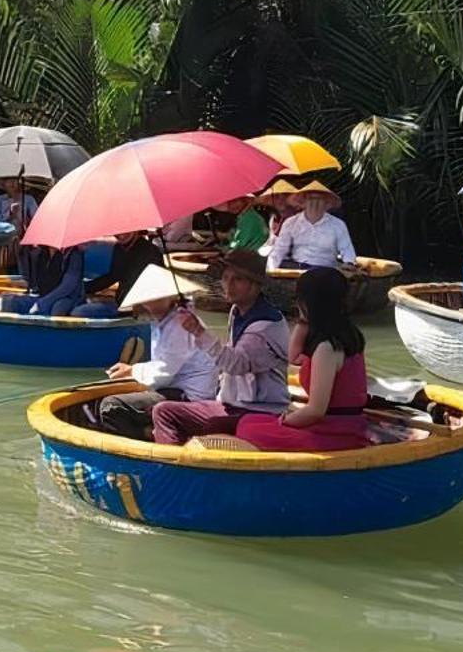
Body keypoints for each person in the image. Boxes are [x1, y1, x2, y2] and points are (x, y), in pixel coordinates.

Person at [149, 251, 292, 442]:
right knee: (163, 411)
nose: (228, 285)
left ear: (255, 285)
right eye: (226, 278)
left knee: (211, 427)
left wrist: (199, 331)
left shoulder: (264, 323)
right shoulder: (237, 311)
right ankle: (173, 462)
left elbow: (236, 364)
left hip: (259, 409)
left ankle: (174, 467)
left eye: (238, 280)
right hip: (231, 403)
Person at [233, 268, 373, 451]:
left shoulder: (326, 348)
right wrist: (304, 319)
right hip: (340, 426)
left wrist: (285, 421)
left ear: (309, 303)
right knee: (249, 421)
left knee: (248, 429)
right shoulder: (347, 333)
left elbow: (315, 411)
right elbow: (294, 357)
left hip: (335, 434)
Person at [86, 265, 219, 439]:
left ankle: (152, 437)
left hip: (190, 396)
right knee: (100, 404)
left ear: (169, 297)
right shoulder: (162, 322)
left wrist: (132, 370)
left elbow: (165, 372)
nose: (150, 303)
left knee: (111, 406)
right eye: (147, 299)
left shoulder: (181, 324)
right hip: (174, 388)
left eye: (156, 298)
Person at [264, 181, 356, 269]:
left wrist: (349, 263)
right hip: (297, 270)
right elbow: (279, 250)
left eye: (319, 199)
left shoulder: (338, 225)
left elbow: (347, 250)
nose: (314, 203)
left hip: (327, 271)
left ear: (326, 203)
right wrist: (269, 270)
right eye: (310, 198)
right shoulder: (291, 223)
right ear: (303, 202)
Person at [80, 230, 165, 315]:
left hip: (139, 308)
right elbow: (113, 276)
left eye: (125, 231)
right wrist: (84, 288)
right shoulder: (119, 248)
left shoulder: (151, 251)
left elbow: (156, 286)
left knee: (80, 312)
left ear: (136, 230)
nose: (120, 234)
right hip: (121, 304)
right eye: (117, 231)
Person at [0, 245, 88, 316]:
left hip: (66, 299)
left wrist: (43, 303)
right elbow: (34, 284)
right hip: (42, 296)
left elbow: (68, 286)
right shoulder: (40, 253)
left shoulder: (74, 254)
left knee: (58, 308)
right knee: (8, 302)